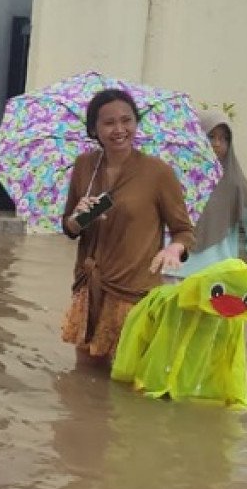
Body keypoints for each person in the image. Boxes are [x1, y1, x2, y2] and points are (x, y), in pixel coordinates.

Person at [61, 88, 195, 364]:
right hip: (89, 285)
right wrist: (78, 217)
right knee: (85, 376)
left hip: (134, 289)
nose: (119, 129)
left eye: (127, 120)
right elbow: (70, 229)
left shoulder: (158, 172)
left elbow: (184, 230)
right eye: (108, 123)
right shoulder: (85, 166)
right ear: (94, 129)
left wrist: (175, 249)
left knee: (128, 375)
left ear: (136, 123)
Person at [169, 110, 247, 292]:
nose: (217, 144)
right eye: (211, 136)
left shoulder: (234, 184)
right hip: (177, 273)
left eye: (224, 139)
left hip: (217, 277)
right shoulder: (177, 177)